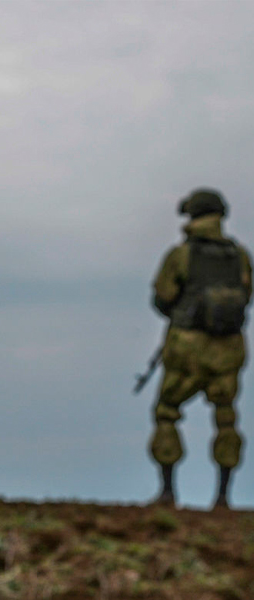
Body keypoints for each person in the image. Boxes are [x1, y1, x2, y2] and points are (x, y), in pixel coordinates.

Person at [148, 188, 251, 509]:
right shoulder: (240, 256)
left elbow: (162, 297)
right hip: (229, 347)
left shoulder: (181, 254)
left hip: (186, 346)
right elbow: (247, 296)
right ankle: (223, 497)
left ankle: (167, 493)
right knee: (226, 418)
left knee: (167, 412)